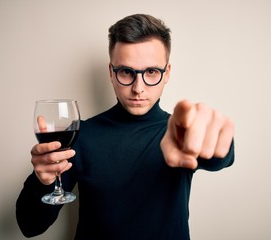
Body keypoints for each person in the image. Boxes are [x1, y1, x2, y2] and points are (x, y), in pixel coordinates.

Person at [16, 13, 235, 240]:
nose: (138, 88)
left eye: (151, 72)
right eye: (126, 72)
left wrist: (215, 133)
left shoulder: (180, 132)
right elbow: (29, 226)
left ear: (166, 73)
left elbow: (222, 157)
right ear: (111, 72)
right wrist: (42, 181)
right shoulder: (80, 135)